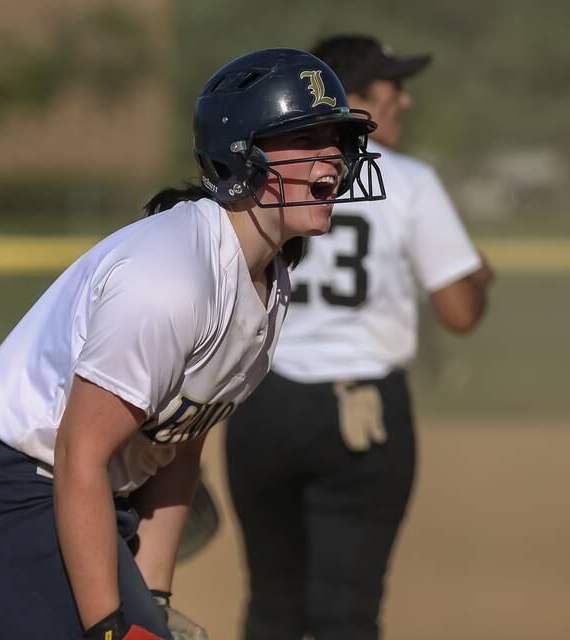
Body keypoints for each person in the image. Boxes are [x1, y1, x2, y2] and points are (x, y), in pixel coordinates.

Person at [0, 47, 386, 640]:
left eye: (337, 140)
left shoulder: (268, 284)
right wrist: (113, 629)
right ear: (242, 158)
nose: (332, 160)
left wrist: (155, 598)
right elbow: (81, 453)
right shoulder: (171, 277)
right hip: (3, 499)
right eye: (306, 138)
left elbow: (178, 443)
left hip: (78, 500)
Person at [225, 35, 495, 640]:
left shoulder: (263, 170)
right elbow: (458, 313)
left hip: (262, 402)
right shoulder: (407, 180)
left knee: (271, 605)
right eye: (390, 88)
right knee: (347, 613)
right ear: (349, 100)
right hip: (365, 412)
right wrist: (480, 276)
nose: (403, 101)